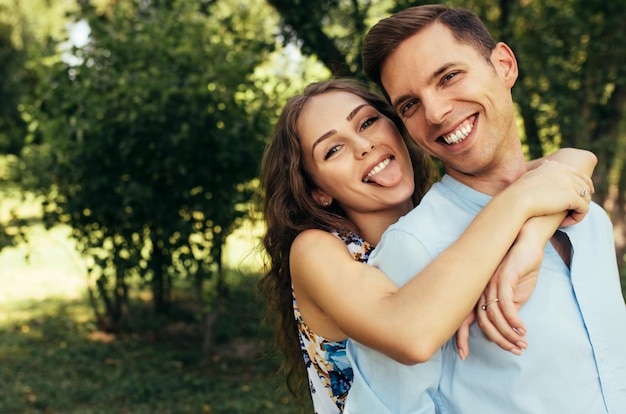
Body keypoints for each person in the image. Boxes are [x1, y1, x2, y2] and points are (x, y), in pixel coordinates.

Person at [345, 4, 626, 413]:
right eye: (409, 105)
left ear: (504, 65)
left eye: (449, 76)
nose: (436, 113)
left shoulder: (590, 220)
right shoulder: (414, 247)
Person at [259, 78, 596, 413]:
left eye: (367, 122)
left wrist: (530, 243)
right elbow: (411, 335)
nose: (363, 145)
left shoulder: (444, 220)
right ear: (318, 190)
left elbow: (573, 160)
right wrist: (519, 201)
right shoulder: (315, 250)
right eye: (333, 149)